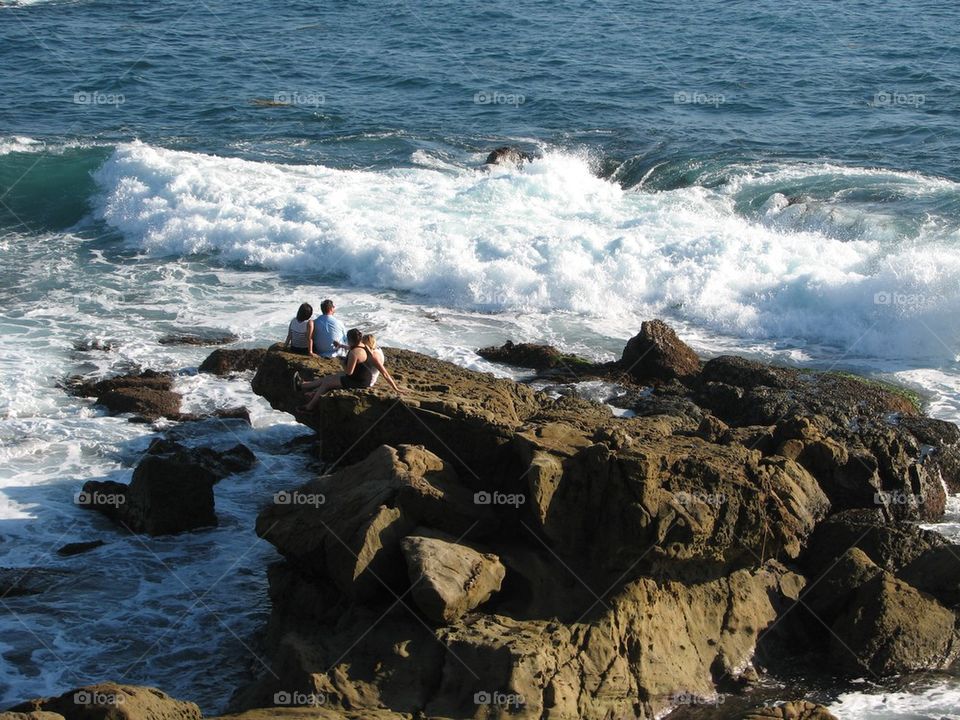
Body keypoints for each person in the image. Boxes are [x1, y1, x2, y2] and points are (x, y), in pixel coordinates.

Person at [297, 329, 401, 412]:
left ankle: (309, 406)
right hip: (362, 377)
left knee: (327, 383)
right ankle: (303, 385)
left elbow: (349, 372)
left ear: (350, 340)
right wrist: (341, 346)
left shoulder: (354, 353)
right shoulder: (365, 346)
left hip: (359, 381)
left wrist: (342, 363)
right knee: (328, 378)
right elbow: (353, 350)